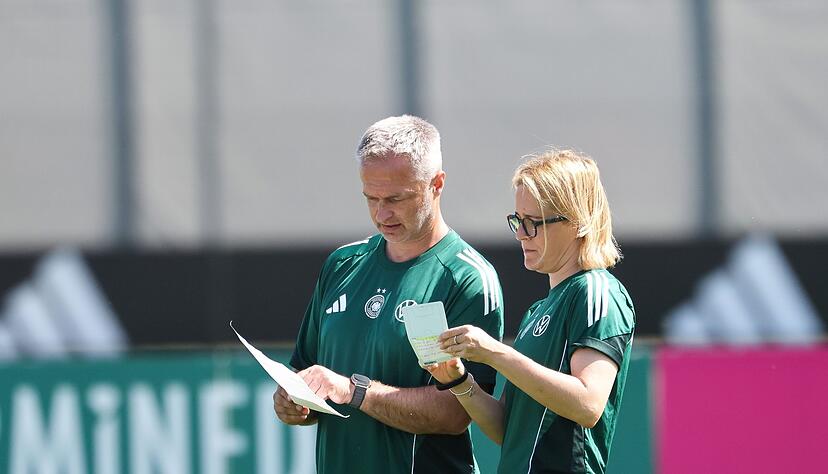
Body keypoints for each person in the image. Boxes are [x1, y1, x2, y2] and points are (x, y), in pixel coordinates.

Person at [274, 115, 504, 473]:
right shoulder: (342, 264)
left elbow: (457, 412)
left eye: (396, 198)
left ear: (437, 184)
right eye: (371, 198)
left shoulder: (466, 278)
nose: (382, 213)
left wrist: (356, 391)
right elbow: (305, 374)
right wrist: (294, 405)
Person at [426, 149, 635, 474]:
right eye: (517, 221)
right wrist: (458, 380)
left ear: (578, 222)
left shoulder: (596, 290)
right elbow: (505, 431)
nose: (521, 234)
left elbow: (589, 404)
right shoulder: (538, 310)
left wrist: (495, 353)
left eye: (534, 223)